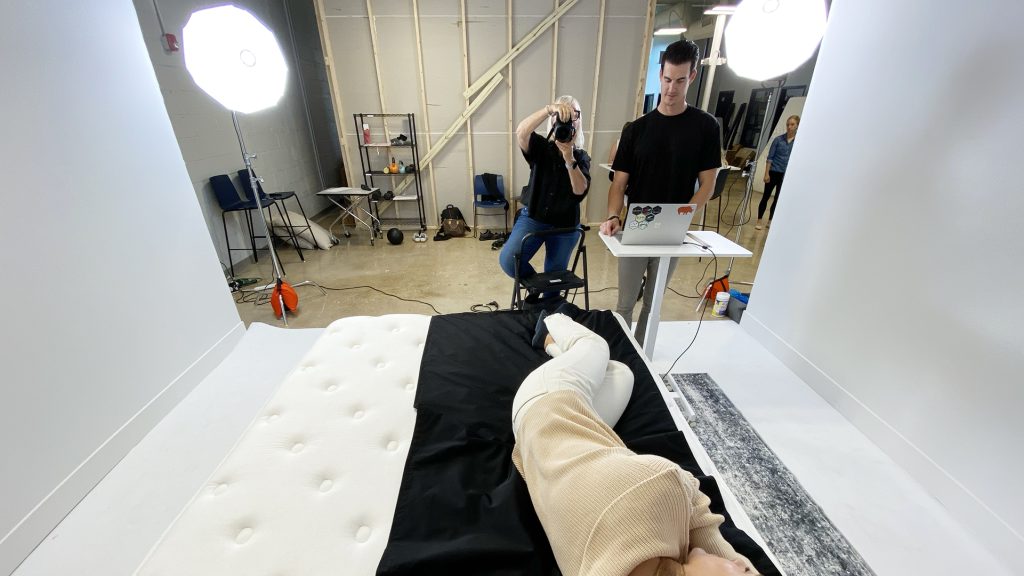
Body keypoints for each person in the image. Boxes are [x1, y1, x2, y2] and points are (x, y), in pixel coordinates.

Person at [512, 312, 758, 576]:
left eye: (744, 573)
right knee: (621, 374)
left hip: (547, 401)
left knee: (596, 347)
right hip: (537, 435)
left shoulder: (659, 481)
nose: (744, 564)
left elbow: (690, 496)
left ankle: (553, 317)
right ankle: (554, 346)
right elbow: (705, 531)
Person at [599, 40, 722, 343]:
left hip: (674, 228)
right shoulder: (636, 130)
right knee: (625, 302)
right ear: (660, 75)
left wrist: (684, 216)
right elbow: (618, 184)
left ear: (692, 77)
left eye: (680, 80)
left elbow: (708, 184)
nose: (672, 88)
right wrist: (614, 215)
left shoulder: (705, 127)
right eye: (667, 79)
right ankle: (623, 356)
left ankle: (642, 359)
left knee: (653, 304)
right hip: (637, 225)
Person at [499, 95, 592, 294]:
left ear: (578, 122)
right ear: (554, 120)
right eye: (562, 116)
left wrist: (569, 159)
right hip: (534, 217)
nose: (567, 122)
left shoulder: (581, 157)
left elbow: (579, 191)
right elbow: (521, 133)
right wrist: (548, 109)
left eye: (572, 117)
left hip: (565, 225)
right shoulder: (541, 148)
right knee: (508, 260)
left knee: (555, 280)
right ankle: (534, 290)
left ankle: (547, 310)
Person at [756, 115, 799, 230]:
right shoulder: (778, 140)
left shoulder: (798, 142)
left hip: (785, 175)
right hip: (774, 172)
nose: (789, 127)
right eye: (788, 124)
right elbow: (770, 157)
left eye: (792, 124)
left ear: (797, 126)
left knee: (778, 198)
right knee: (766, 196)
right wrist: (766, 173)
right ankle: (759, 220)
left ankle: (770, 220)